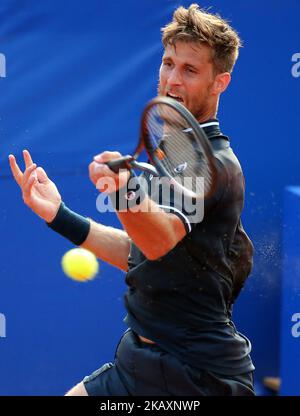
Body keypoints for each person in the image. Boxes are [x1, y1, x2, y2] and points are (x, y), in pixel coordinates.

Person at [9, 4, 255, 396]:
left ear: (219, 82)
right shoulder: (174, 151)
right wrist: (59, 216)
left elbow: (158, 242)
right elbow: (140, 250)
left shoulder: (215, 165)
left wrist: (124, 191)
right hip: (138, 361)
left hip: (196, 375)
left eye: (189, 70)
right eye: (168, 63)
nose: (172, 80)